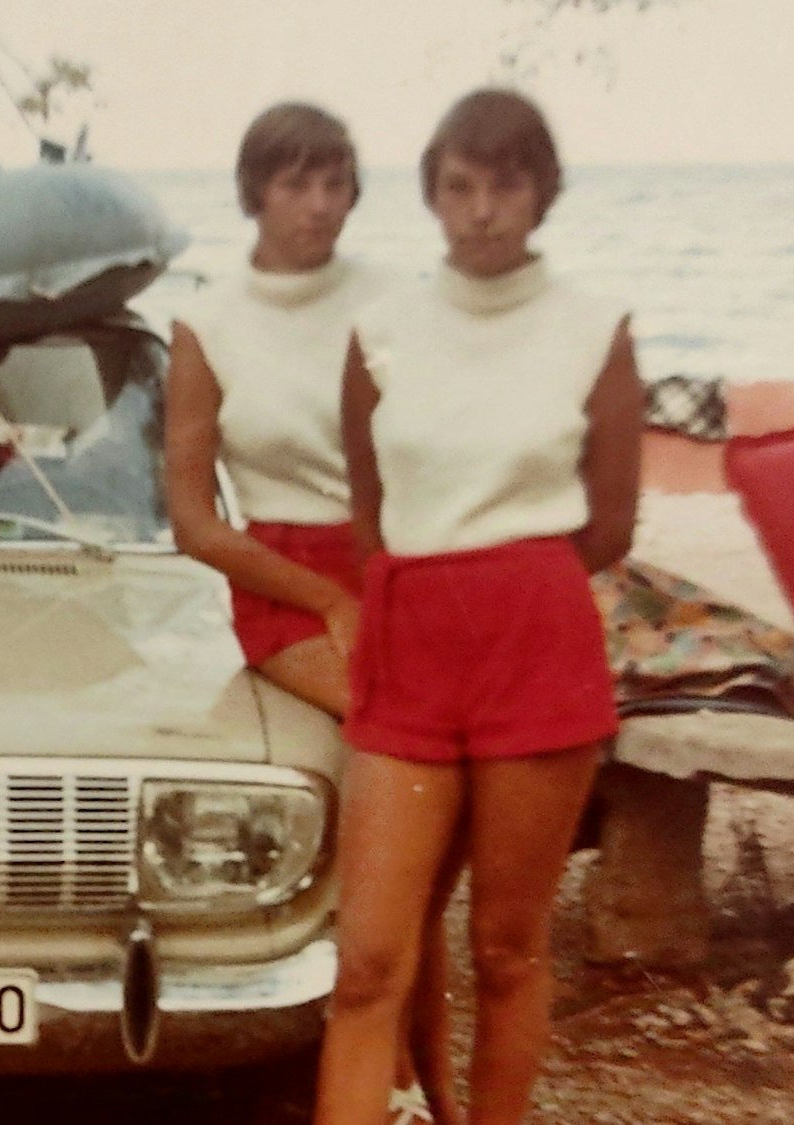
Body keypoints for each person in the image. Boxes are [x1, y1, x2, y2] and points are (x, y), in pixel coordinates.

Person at [314, 89, 643, 1125]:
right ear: (431, 196)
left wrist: (506, 577)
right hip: (410, 644)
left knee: (506, 949)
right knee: (368, 957)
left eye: (505, 185)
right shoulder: (379, 331)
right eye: (459, 186)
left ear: (541, 193)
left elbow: (611, 524)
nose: (482, 211)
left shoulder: (594, 330)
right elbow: (369, 512)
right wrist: (431, 586)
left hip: (533, 645)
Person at [163, 102, 458, 1125]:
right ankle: (401, 1083)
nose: (318, 207)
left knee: (427, 841)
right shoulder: (208, 319)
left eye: (335, 184)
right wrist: (327, 597)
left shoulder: (393, 298)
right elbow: (193, 523)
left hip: (403, 563)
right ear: (253, 192)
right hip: (284, 583)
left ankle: (420, 1082)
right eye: (294, 184)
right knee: (416, 754)